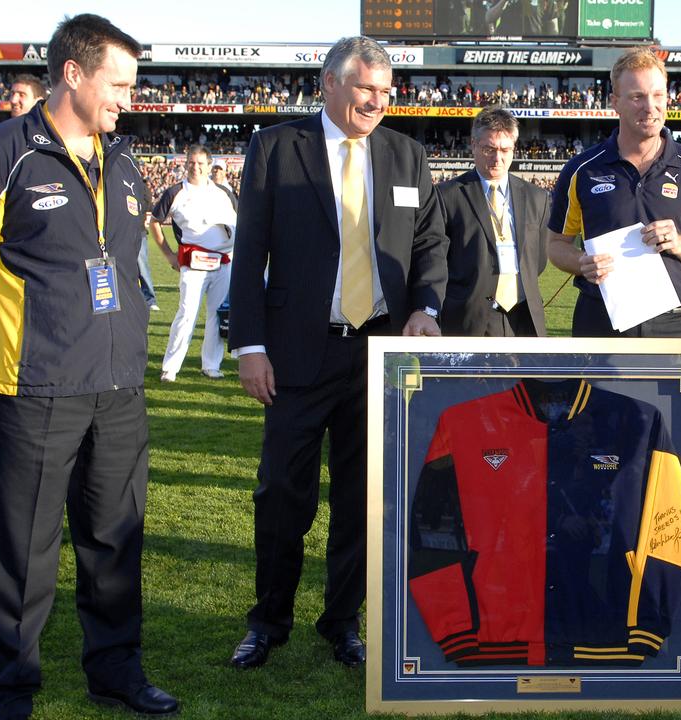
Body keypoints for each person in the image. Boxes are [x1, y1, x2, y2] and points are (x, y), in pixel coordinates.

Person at [0, 14, 179, 719]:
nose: (129, 98)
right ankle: (9, 688)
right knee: (22, 550)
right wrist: (20, 337)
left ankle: (115, 672)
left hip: (118, 386)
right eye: (119, 83)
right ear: (74, 72)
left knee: (115, 541)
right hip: (33, 386)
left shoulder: (123, 162)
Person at [227, 35, 447, 671]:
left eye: (386, 91)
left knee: (360, 498)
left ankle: (342, 622)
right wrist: (249, 345)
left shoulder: (408, 156)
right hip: (296, 355)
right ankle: (268, 621)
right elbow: (249, 256)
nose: (377, 101)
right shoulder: (275, 147)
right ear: (328, 84)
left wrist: (424, 310)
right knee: (280, 497)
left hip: (376, 356)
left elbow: (431, 245)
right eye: (365, 89)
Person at [547, 47, 681, 338]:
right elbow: (556, 244)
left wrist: (680, 243)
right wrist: (581, 264)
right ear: (615, 102)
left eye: (658, 95)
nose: (650, 106)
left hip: (677, 323)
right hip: (601, 320)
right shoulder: (581, 169)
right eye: (637, 97)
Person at [436, 106, 549, 337]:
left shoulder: (537, 197)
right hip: (469, 319)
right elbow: (438, 261)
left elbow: (539, 260)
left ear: (514, 148)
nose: (498, 158)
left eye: (505, 150)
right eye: (489, 149)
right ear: (473, 144)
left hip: (523, 317)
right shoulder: (447, 195)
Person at [149, 145, 238, 381]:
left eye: (200, 163)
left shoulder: (224, 193)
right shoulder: (175, 192)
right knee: (187, 314)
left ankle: (211, 364)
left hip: (223, 263)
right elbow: (155, 222)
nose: (195, 167)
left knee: (216, 315)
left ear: (209, 165)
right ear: (185, 163)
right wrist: (169, 255)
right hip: (193, 264)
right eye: (191, 162)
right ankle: (171, 367)